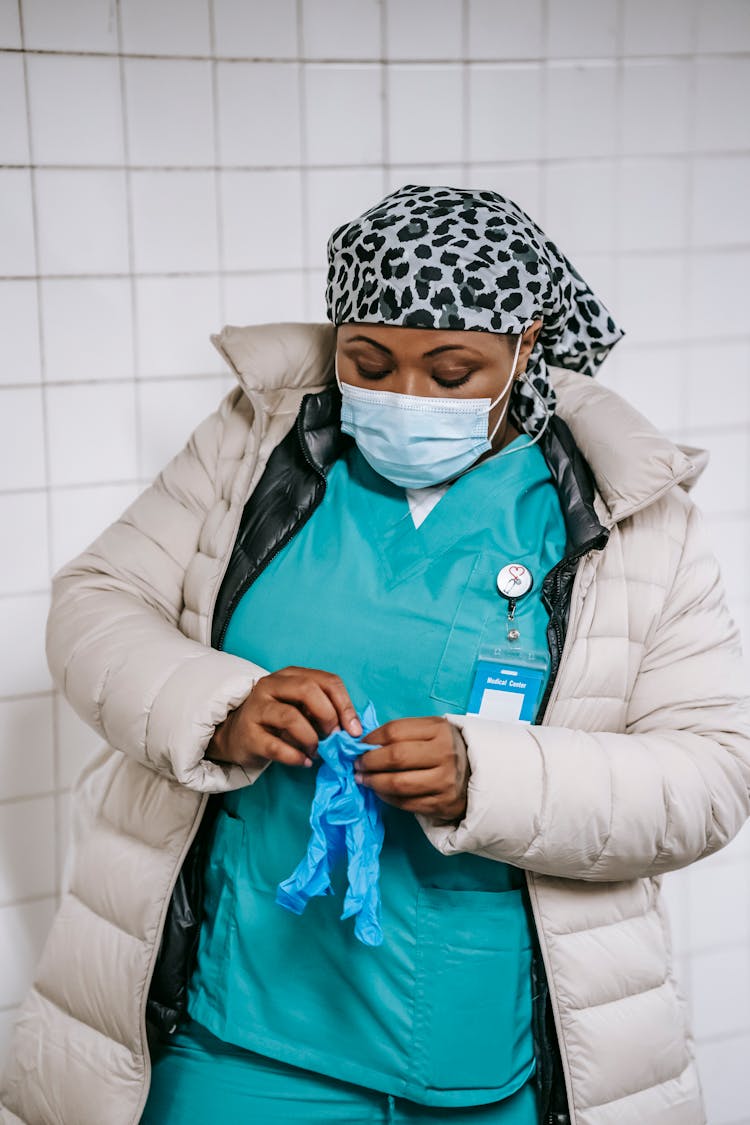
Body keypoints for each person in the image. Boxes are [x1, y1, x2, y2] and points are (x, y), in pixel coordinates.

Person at [2, 185, 749, 1125]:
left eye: (451, 372)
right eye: (369, 360)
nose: (404, 398)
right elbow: (98, 602)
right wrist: (221, 707)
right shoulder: (254, 447)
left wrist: (491, 774)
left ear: (527, 349)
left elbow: (713, 772)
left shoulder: (627, 515)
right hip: (241, 1024)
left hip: (478, 1046)